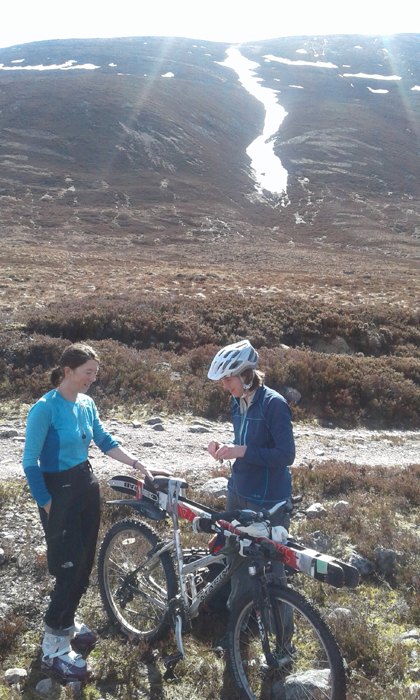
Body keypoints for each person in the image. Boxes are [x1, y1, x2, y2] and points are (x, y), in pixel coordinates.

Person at [22, 343, 170, 683]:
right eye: (88, 372)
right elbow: (30, 463)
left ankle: (67, 622)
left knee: (85, 562)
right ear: (67, 371)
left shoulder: (87, 404)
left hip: (85, 486)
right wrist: (47, 504)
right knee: (68, 566)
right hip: (57, 493)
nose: (93, 379)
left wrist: (136, 463)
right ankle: (53, 649)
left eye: (95, 373)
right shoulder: (43, 409)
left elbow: (103, 440)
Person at [207, 339, 295, 640]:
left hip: (268, 499)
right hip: (239, 490)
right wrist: (223, 448)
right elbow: (245, 444)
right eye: (223, 380)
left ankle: (282, 644)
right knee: (236, 561)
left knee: (271, 571)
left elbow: (286, 455)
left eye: (228, 379)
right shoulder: (238, 401)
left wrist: (241, 451)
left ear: (246, 375)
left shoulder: (274, 404)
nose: (224, 386)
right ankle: (239, 629)